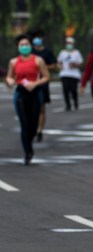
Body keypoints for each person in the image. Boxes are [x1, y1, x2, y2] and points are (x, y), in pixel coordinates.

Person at [5, 34, 50, 165]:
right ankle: (27, 152)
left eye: (26, 44)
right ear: (18, 47)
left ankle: (29, 140)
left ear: (30, 46)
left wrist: (35, 83)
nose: (24, 47)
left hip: (35, 93)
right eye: (21, 45)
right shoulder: (13, 62)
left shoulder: (38, 60)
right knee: (24, 124)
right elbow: (9, 77)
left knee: (33, 124)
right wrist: (10, 81)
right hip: (21, 94)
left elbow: (46, 76)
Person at [31, 30, 56, 142]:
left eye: (39, 37)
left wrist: (42, 66)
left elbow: (53, 66)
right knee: (31, 108)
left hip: (43, 82)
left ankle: (40, 130)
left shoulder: (47, 52)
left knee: (41, 108)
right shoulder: (30, 51)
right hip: (30, 83)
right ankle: (32, 128)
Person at [57, 36, 83, 111]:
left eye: (70, 43)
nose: (69, 44)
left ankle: (75, 103)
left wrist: (74, 65)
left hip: (74, 75)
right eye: (68, 43)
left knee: (73, 90)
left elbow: (80, 63)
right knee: (65, 90)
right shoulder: (62, 53)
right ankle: (68, 105)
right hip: (64, 74)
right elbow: (59, 62)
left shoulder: (77, 53)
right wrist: (60, 67)